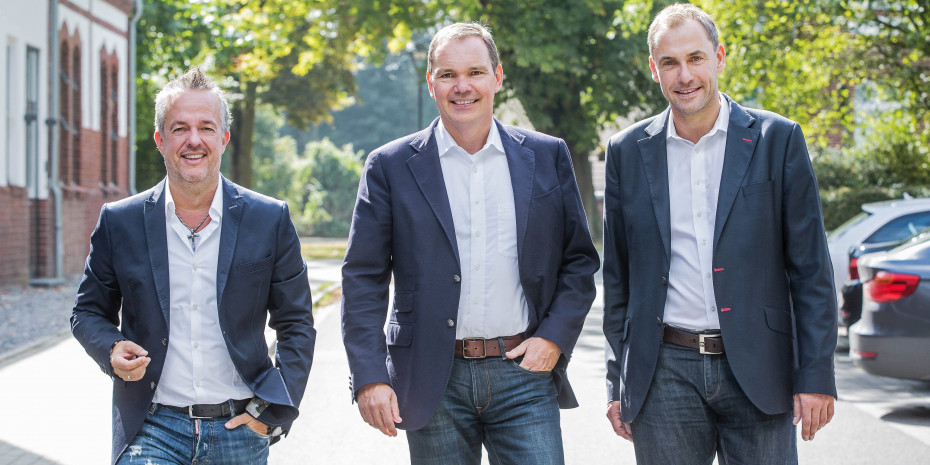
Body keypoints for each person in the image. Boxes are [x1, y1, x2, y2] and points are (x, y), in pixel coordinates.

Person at [341, 22, 599, 464]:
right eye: (447, 75)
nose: (462, 87)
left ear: (497, 78)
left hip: (523, 374)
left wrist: (554, 338)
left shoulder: (546, 155)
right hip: (430, 378)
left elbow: (578, 261)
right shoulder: (390, 166)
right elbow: (363, 279)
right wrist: (368, 376)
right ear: (431, 83)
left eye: (475, 73)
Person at [602, 4, 837, 464]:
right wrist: (618, 380)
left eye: (695, 58)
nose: (684, 75)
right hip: (663, 371)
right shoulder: (627, 151)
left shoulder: (778, 139)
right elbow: (618, 280)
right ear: (654, 70)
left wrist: (815, 375)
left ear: (720, 58)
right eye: (669, 63)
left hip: (758, 365)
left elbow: (810, 269)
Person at [71, 67, 316, 465]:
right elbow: (86, 312)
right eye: (180, 128)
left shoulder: (269, 219)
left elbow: (297, 323)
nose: (194, 140)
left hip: (240, 428)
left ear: (223, 137)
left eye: (206, 127)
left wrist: (274, 411)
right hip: (150, 428)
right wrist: (111, 348)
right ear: (160, 140)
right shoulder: (120, 222)